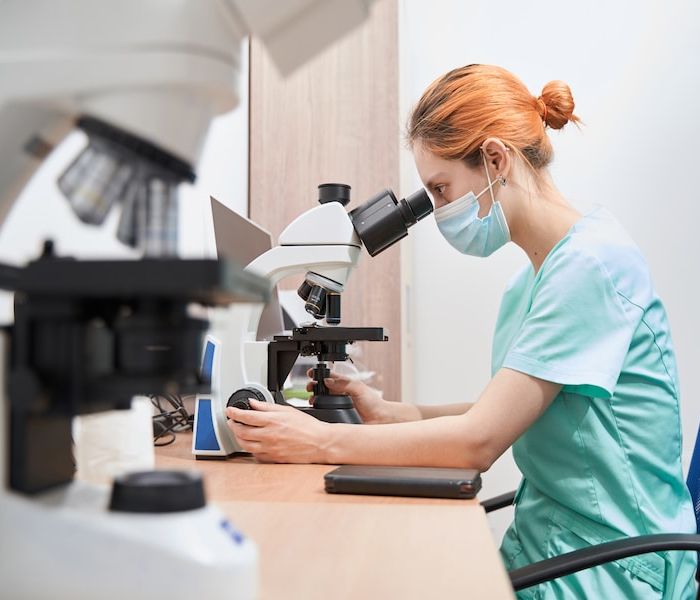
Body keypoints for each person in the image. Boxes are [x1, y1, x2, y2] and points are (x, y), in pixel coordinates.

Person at [227, 64, 697, 598]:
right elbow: (505, 408)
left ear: (495, 159)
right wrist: (398, 415)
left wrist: (317, 441)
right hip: (551, 542)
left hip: (612, 568)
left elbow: (479, 441)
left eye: (441, 189)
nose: (438, 210)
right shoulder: (535, 280)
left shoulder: (592, 267)